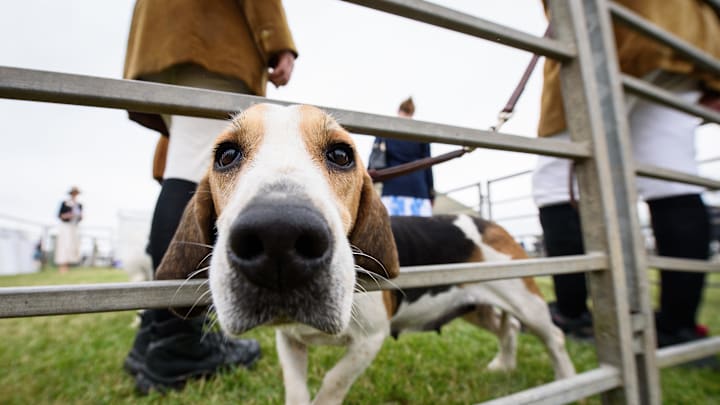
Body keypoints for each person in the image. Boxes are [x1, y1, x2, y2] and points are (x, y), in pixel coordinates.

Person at [122, 0, 298, 393]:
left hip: (165, 36)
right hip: (211, 38)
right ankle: (179, 341)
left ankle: (154, 334)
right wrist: (277, 40)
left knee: (186, 164)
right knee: (197, 172)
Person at [533, 0, 720, 353]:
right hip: (687, 32)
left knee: (555, 179)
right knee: (671, 174)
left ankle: (571, 313)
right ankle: (677, 325)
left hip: (612, 28)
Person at [376, 97, 435, 217]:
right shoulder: (422, 133)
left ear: (398, 110)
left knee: (393, 233)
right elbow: (428, 166)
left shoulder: (385, 131)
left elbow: (376, 159)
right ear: (412, 112)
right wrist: (431, 194)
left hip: (392, 189)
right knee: (420, 234)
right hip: (418, 191)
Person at [55, 186, 83, 274]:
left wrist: (79, 217)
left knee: (72, 245)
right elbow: (60, 215)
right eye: (73, 193)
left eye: (76, 193)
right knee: (64, 245)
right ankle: (62, 266)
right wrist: (69, 215)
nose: (75, 195)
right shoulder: (64, 203)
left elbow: (80, 217)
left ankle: (69, 266)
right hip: (65, 226)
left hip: (74, 227)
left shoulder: (79, 205)